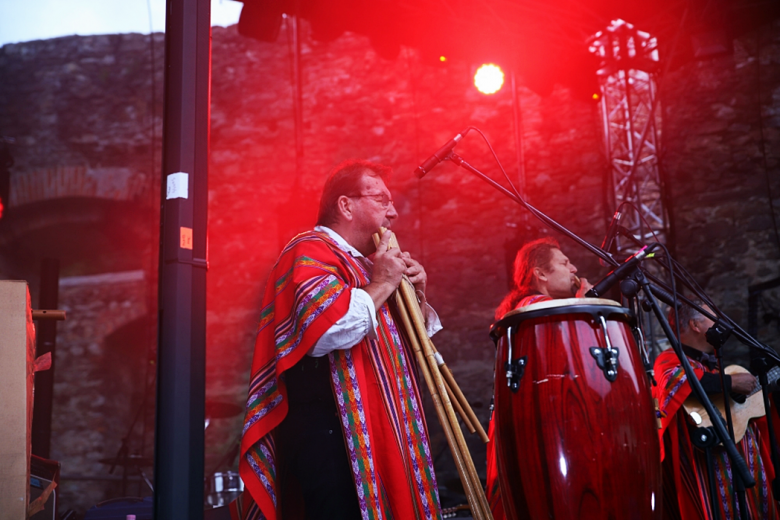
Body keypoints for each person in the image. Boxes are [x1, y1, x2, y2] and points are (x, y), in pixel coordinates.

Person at [236, 160, 443, 520]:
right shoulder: (308, 250)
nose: (392, 213)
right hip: (334, 439)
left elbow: (413, 346)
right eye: (382, 200)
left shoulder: (369, 265)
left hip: (385, 430)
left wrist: (417, 296)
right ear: (346, 205)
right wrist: (384, 285)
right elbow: (327, 329)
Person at [486, 237, 592, 519]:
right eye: (564, 263)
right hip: (542, 427)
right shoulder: (536, 308)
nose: (574, 268)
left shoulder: (528, 310)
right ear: (541, 273)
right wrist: (583, 306)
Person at [654, 300, 779, 520]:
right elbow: (677, 381)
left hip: (741, 471)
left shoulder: (715, 367)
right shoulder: (669, 359)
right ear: (695, 324)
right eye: (713, 317)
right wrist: (730, 383)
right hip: (706, 471)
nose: (720, 322)